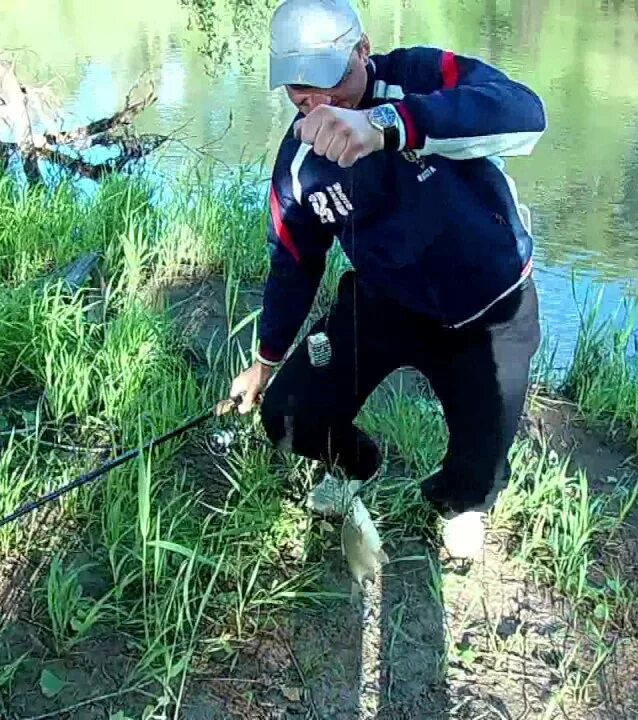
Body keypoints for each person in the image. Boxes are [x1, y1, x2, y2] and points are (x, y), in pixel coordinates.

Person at [228, 0, 547, 559]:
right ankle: (358, 465)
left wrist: (385, 126)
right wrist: (265, 361)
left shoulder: (420, 77)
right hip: (386, 301)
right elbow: (293, 263)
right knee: (285, 416)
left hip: (489, 307)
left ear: (363, 49)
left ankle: (460, 504)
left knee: (479, 474)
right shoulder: (298, 165)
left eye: (335, 82)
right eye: (301, 93)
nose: (322, 105)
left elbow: (525, 113)